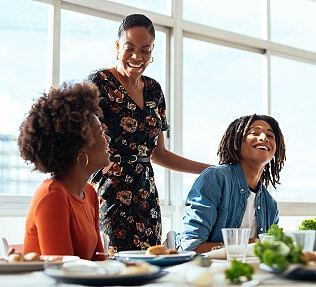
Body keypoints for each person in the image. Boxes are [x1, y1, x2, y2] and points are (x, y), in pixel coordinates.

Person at [88, 14, 210, 251]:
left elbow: (159, 154)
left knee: (151, 263)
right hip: (108, 191)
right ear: (117, 46)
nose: (137, 56)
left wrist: (209, 170)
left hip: (147, 195)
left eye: (145, 50)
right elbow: (78, 143)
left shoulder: (154, 90)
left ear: (152, 50)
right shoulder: (98, 83)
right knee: (114, 266)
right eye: (129, 48)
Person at [18, 81, 111, 260]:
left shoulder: (89, 194)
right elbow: (63, 271)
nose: (106, 139)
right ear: (80, 147)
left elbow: (100, 263)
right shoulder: (52, 196)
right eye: (100, 132)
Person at [176, 114, 286, 253]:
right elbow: (191, 247)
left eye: (270, 136)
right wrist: (250, 244)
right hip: (208, 272)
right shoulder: (215, 178)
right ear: (237, 141)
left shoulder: (271, 206)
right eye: (254, 133)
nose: (264, 138)